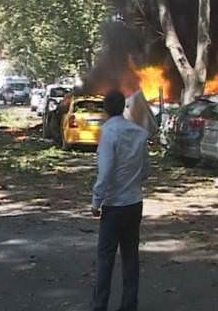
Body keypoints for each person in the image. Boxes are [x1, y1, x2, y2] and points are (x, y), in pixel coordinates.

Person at [91, 89, 150, 311]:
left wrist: (96, 202)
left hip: (114, 206)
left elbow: (105, 172)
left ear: (106, 109)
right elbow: (145, 171)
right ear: (123, 106)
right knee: (130, 257)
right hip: (134, 203)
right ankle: (129, 305)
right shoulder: (139, 133)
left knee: (106, 258)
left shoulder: (109, 133)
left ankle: (100, 306)